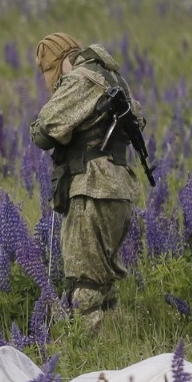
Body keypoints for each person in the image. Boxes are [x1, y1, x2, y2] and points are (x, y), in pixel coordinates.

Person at [29, 33, 145, 330]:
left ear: (56, 64)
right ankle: (119, 351)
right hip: (120, 189)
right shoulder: (114, 79)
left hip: (91, 189)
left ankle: (90, 363)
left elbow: (44, 130)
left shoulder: (80, 79)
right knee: (104, 285)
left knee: (85, 288)